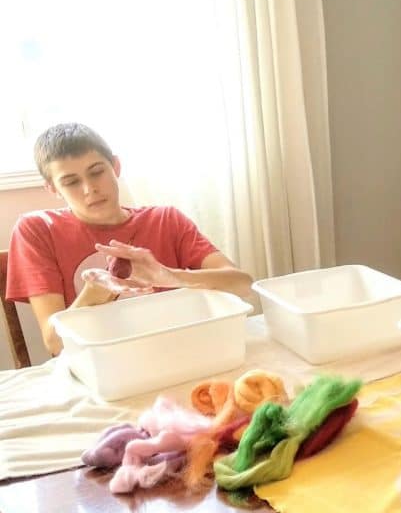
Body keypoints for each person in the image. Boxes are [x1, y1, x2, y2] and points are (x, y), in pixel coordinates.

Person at [6, 122, 254, 356]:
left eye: (97, 172)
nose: (89, 189)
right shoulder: (37, 229)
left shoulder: (165, 219)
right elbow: (54, 343)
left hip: (177, 352)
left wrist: (168, 275)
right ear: (52, 189)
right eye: (71, 182)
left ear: (115, 167)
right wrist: (96, 292)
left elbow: (242, 284)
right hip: (99, 364)